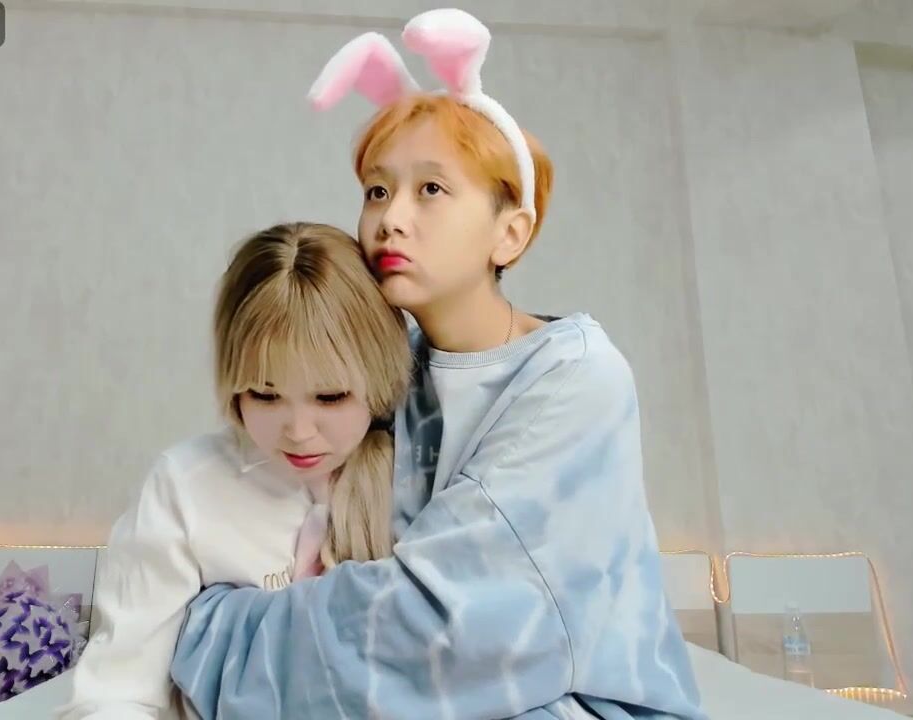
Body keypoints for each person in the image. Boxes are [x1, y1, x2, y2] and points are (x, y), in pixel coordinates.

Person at [170, 9, 707, 720]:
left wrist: (209, 629)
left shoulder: (577, 380)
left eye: (430, 189)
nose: (391, 218)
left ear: (510, 233)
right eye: (377, 190)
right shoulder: (390, 376)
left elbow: (442, 627)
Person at [45, 222, 411, 719]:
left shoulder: (420, 478)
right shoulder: (187, 487)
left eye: (330, 396)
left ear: (380, 374)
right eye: (265, 394)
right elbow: (119, 689)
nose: (299, 431)